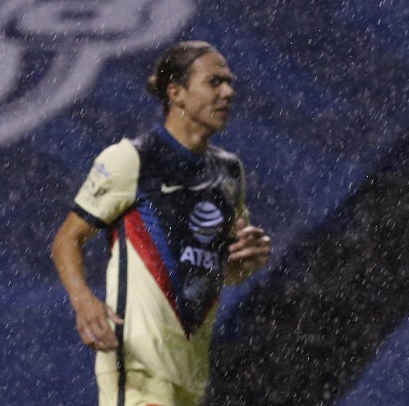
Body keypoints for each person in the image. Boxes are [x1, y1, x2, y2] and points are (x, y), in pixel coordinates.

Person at [51, 40, 271, 406]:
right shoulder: (132, 159)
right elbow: (67, 239)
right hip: (137, 362)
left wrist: (244, 262)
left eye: (229, 82)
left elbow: (222, 266)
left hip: (189, 370)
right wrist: (84, 301)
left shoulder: (229, 173)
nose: (228, 92)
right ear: (177, 93)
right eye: (214, 82)